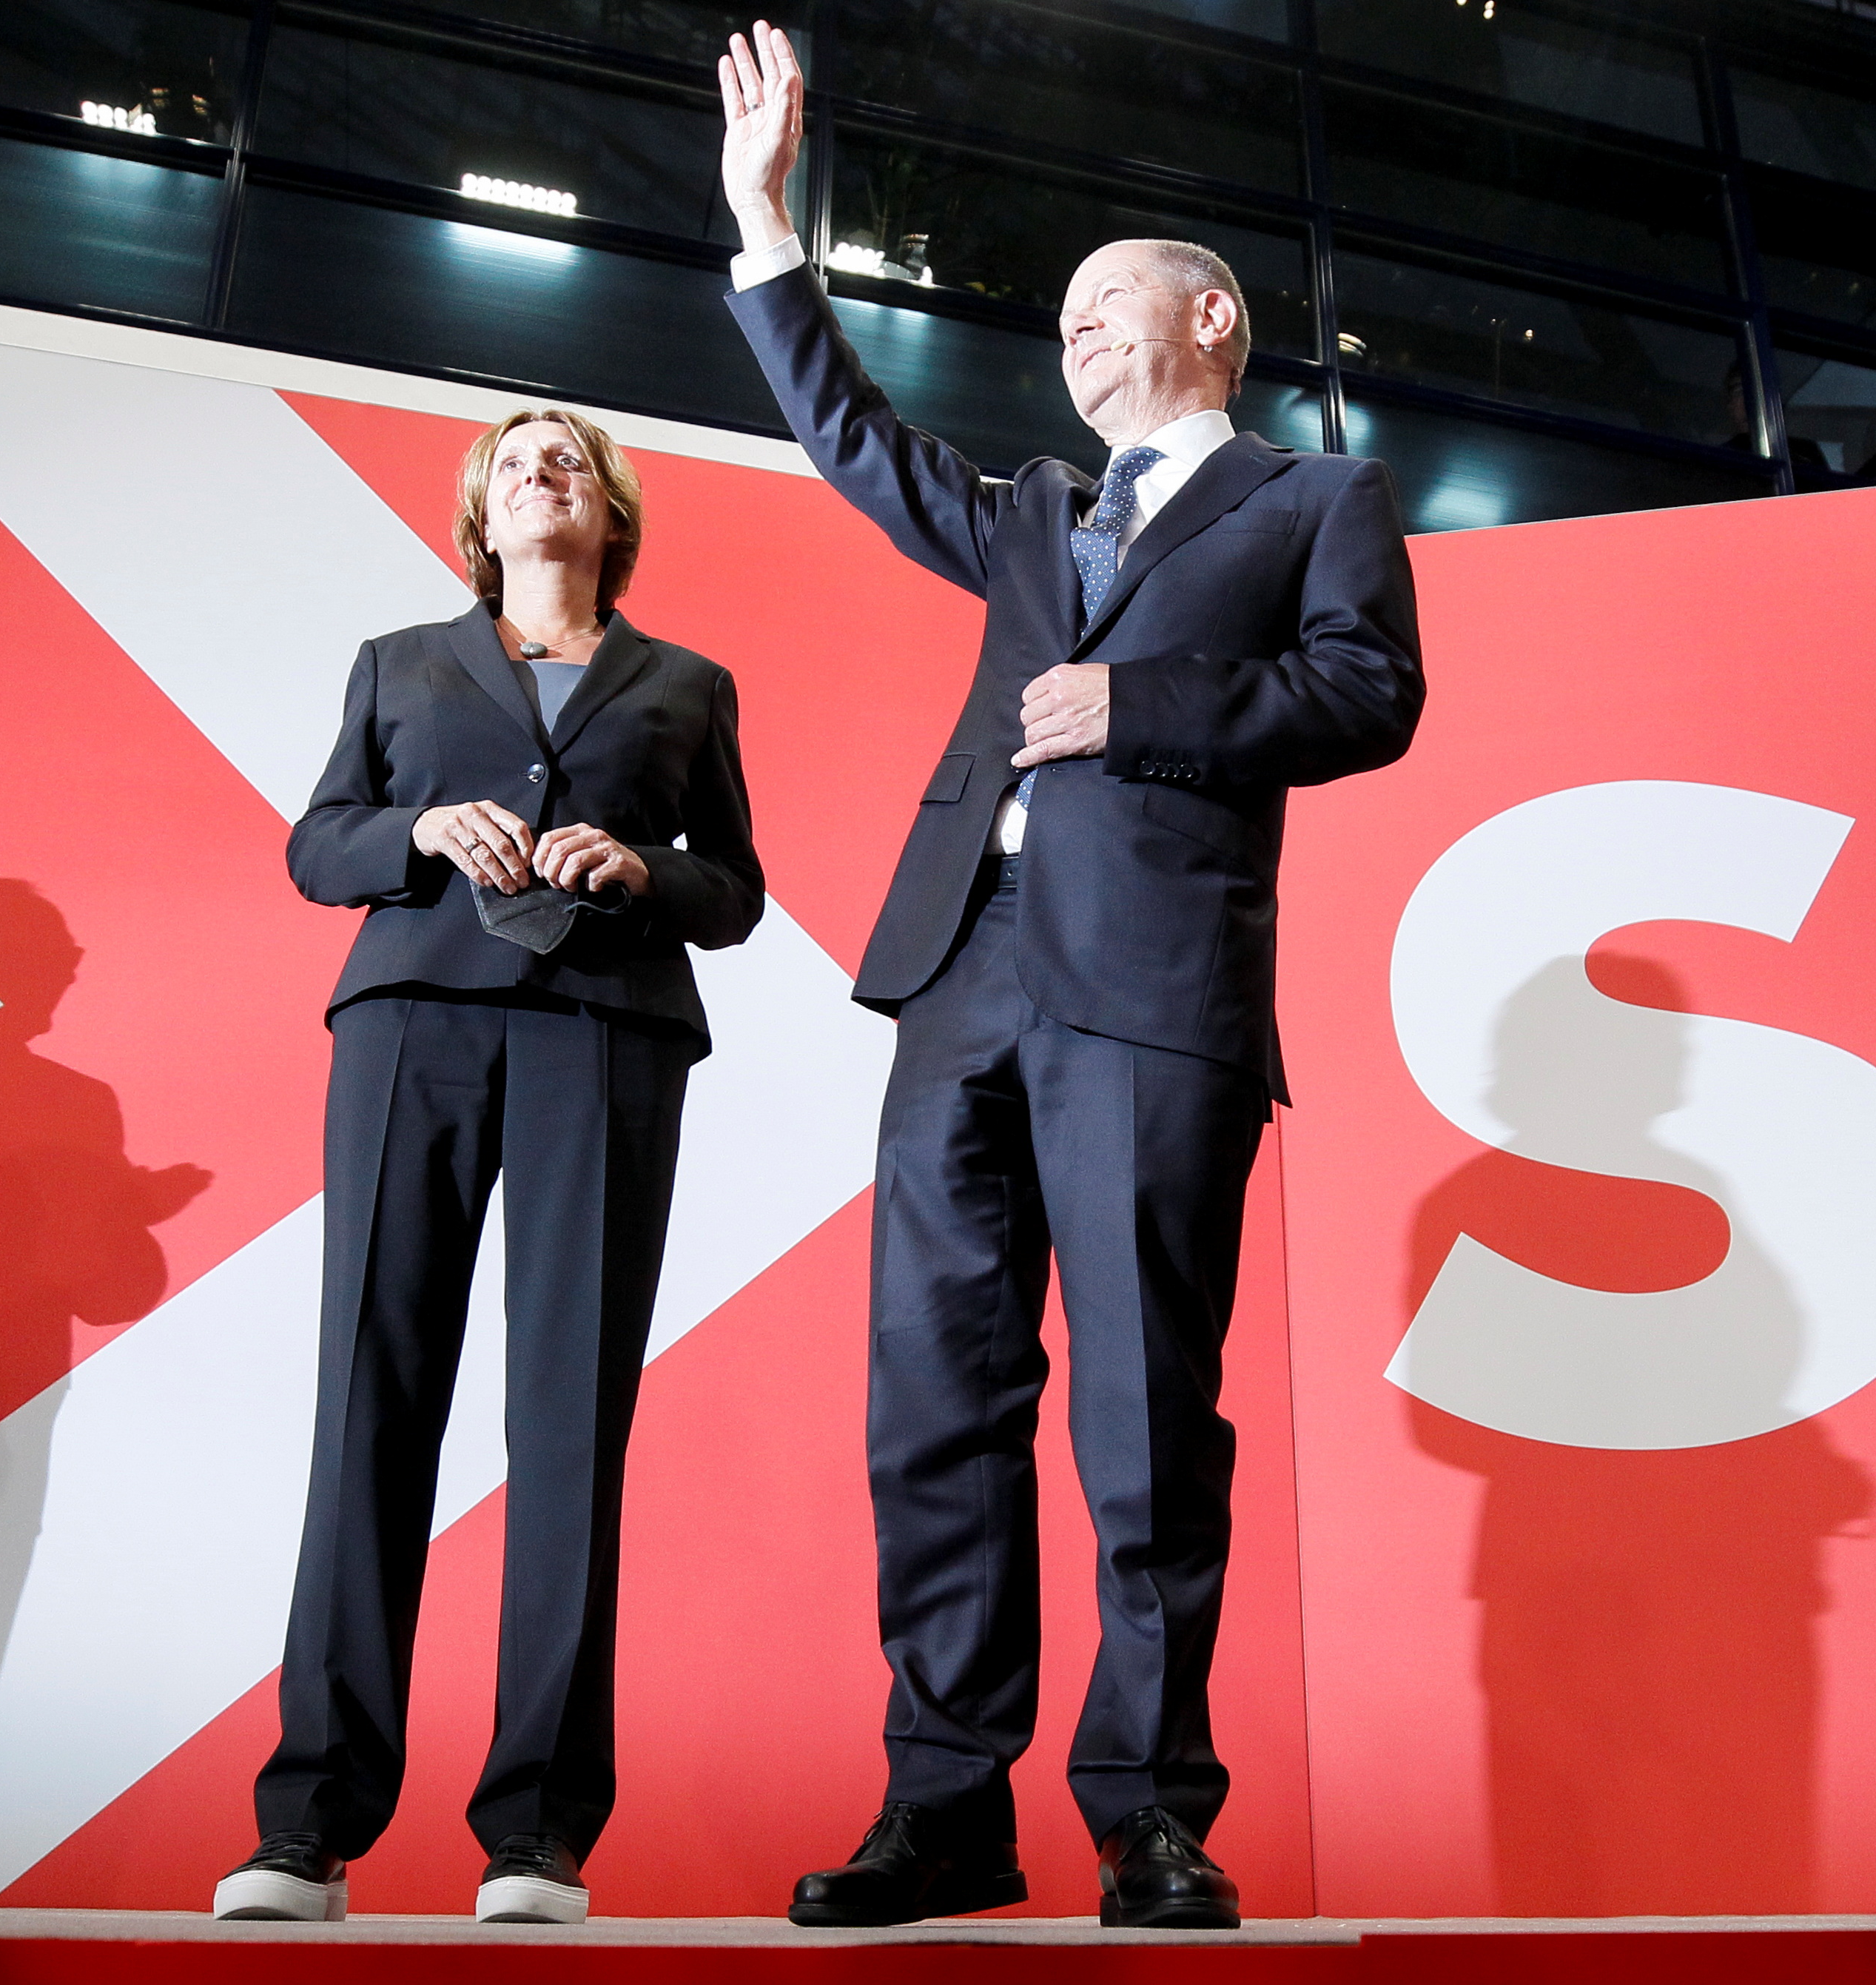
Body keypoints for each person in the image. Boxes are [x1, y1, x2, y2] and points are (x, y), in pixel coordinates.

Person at [715, 21, 1424, 1933]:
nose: (1078, 334)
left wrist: (1142, 704)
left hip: (1155, 995)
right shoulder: (1030, 507)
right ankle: (946, 1804)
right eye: (1063, 323)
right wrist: (766, 227)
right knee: (934, 1400)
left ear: (1213, 319)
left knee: (1143, 1413)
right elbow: (857, 445)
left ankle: (1149, 1814)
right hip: (962, 973)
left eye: (1109, 304)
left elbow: (1369, 694)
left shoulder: (1311, 499)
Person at [210, 409, 764, 1925]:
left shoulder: (688, 683)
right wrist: (416, 830)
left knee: (572, 1415)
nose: (539, 471)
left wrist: (644, 868)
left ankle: (538, 1832)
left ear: (611, 508)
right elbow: (317, 845)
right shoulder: (398, 663)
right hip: (414, 1024)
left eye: (566, 457)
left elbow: (734, 890)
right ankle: (308, 1823)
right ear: (480, 512)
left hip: (608, 1030)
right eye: (513, 461)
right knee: (371, 1396)